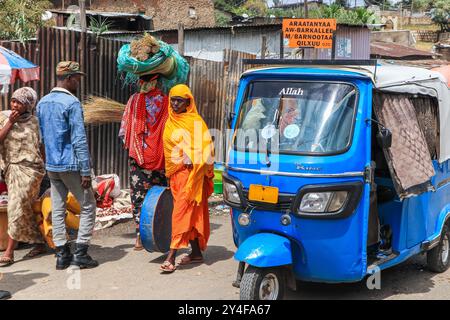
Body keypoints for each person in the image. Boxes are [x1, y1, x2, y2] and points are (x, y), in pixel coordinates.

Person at [36, 61, 98, 270]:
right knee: (89, 204)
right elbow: (79, 140)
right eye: (77, 79)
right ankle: (80, 253)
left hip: (52, 165)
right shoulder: (72, 104)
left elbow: (41, 138)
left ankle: (62, 255)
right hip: (71, 164)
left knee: (58, 207)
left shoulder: (43, 103)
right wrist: (86, 171)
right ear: (69, 78)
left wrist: (47, 162)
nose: (78, 82)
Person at [160, 84, 214, 273]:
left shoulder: (195, 121)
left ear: (188, 102)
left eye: (179, 100)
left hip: (192, 177)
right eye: (173, 99)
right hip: (176, 176)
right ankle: (196, 253)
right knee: (190, 214)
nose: (175, 104)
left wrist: (193, 156)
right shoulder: (170, 121)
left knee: (180, 214)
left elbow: (208, 149)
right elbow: (168, 149)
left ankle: (171, 256)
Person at [119, 74, 169, 250]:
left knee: (139, 198)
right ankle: (162, 234)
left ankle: (140, 238)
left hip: (139, 157)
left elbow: (124, 132)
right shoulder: (166, 101)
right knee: (162, 196)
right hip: (161, 156)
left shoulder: (134, 101)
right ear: (158, 82)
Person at [0, 87, 46, 267]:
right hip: (12, 168)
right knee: (23, 207)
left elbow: (40, 146)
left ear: (28, 105)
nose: (14, 105)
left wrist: (47, 166)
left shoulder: (34, 122)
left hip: (32, 170)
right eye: (13, 100)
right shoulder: (4, 117)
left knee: (16, 205)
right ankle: (39, 241)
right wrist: (10, 123)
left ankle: (9, 252)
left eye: (19, 102)